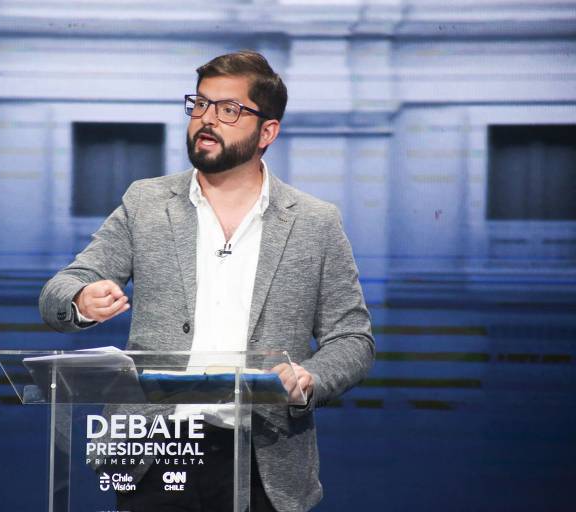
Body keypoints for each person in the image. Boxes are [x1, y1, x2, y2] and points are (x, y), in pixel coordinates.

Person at [39, 50, 375, 512]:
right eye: (199, 105)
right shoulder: (148, 202)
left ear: (268, 132)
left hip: (266, 456)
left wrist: (309, 378)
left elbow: (353, 338)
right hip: (155, 451)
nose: (206, 119)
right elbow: (61, 289)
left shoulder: (315, 223)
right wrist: (79, 298)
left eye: (228, 110)